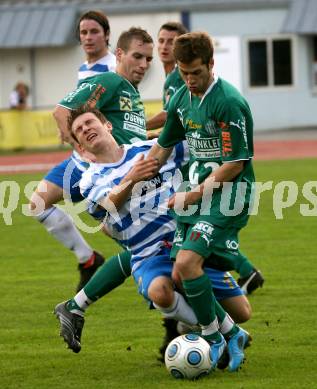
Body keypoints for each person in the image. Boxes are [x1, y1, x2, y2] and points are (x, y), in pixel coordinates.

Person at [54, 107, 251, 372]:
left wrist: (212, 123)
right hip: (148, 255)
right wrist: (132, 178)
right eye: (79, 131)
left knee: (242, 311)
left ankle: (208, 324)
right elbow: (107, 205)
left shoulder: (151, 150)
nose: (86, 129)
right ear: (80, 147)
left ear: (107, 126)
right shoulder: (90, 179)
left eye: (89, 122)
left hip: (185, 242)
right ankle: (219, 334)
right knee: (160, 291)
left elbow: (199, 148)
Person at [147, 32, 258, 356]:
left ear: (211, 64)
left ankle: (214, 338)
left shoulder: (228, 102)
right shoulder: (182, 97)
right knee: (183, 273)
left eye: (196, 72)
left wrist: (193, 195)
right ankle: (232, 329)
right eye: (184, 72)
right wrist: (130, 182)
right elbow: (162, 147)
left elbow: (235, 164)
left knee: (186, 261)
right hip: (196, 195)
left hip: (228, 196)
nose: (191, 79)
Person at [28, 13, 127, 292]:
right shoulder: (86, 67)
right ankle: (88, 260)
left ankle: (179, 277)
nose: (87, 37)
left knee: (123, 229)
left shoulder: (112, 69)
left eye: (94, 31)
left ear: (107, 35)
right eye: (83, 32)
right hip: (81, 158)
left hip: (100, 161)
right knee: (37, 203)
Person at [147, 22, 187, 131]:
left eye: (171, 42)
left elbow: (168, 115)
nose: (164, 46)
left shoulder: (181, 74)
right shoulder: (171, 75)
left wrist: (138, 127)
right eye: (161, 41)